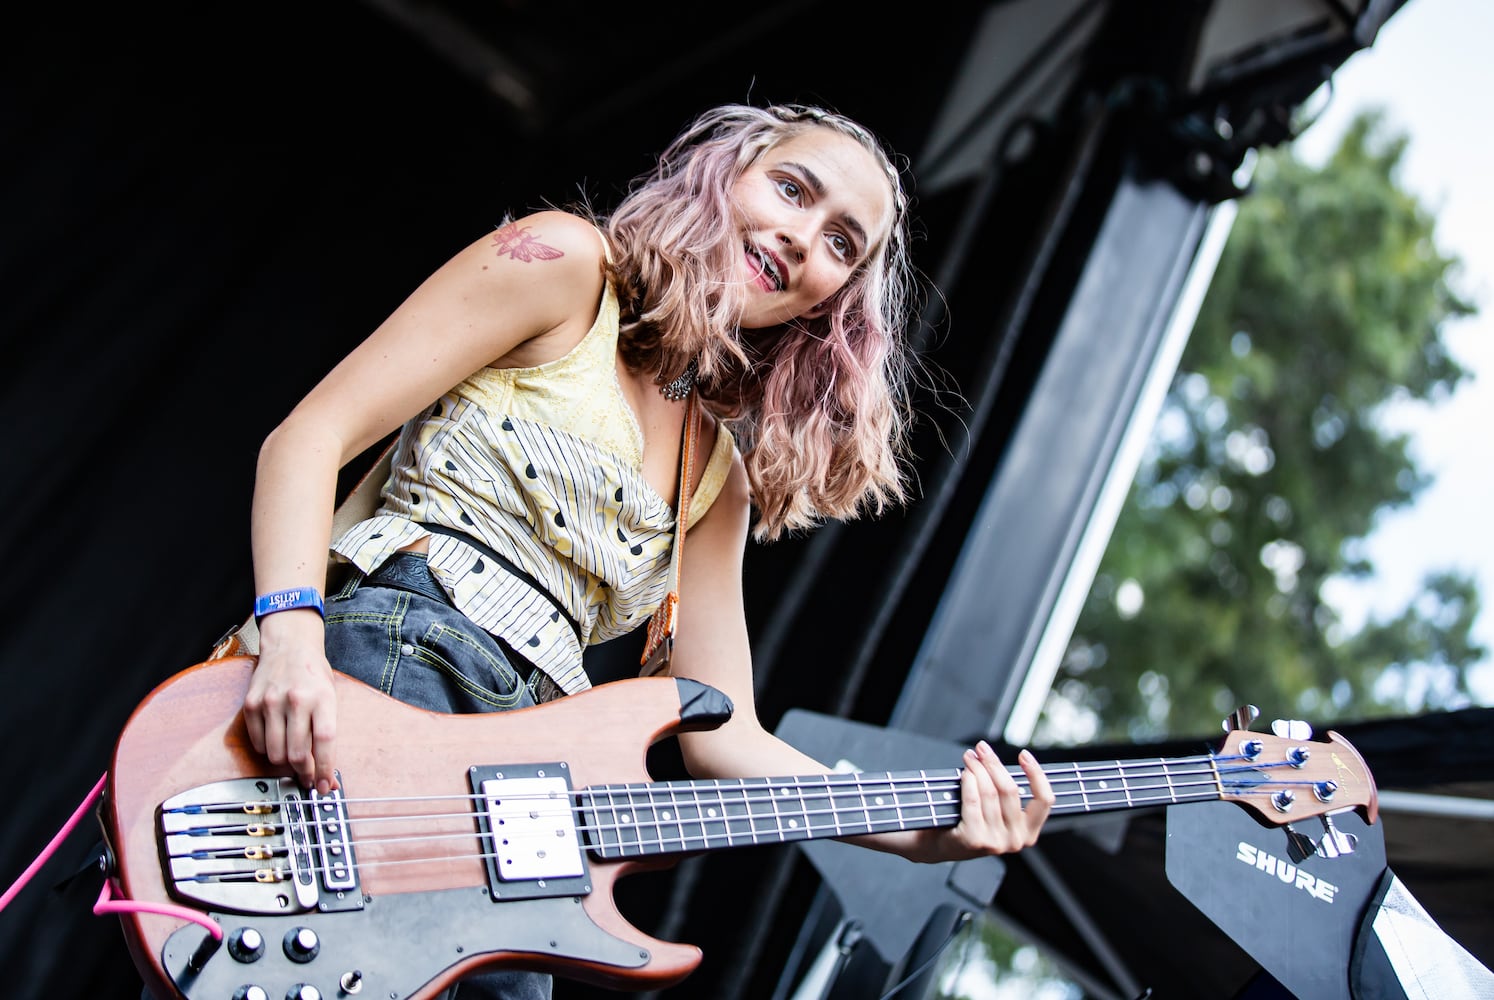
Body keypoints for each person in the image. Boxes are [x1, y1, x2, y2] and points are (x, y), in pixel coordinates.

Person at [240, 102, 1054, 998]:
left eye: (840, 243)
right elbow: (309, 436)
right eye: (791, 190)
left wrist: (924, 833)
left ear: (834, 300)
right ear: (724, 172)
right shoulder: (565, 264)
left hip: (525, 788)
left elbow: (725, 738)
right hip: (398, 664)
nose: (800, 238)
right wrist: (291, 637)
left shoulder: (717, 475)